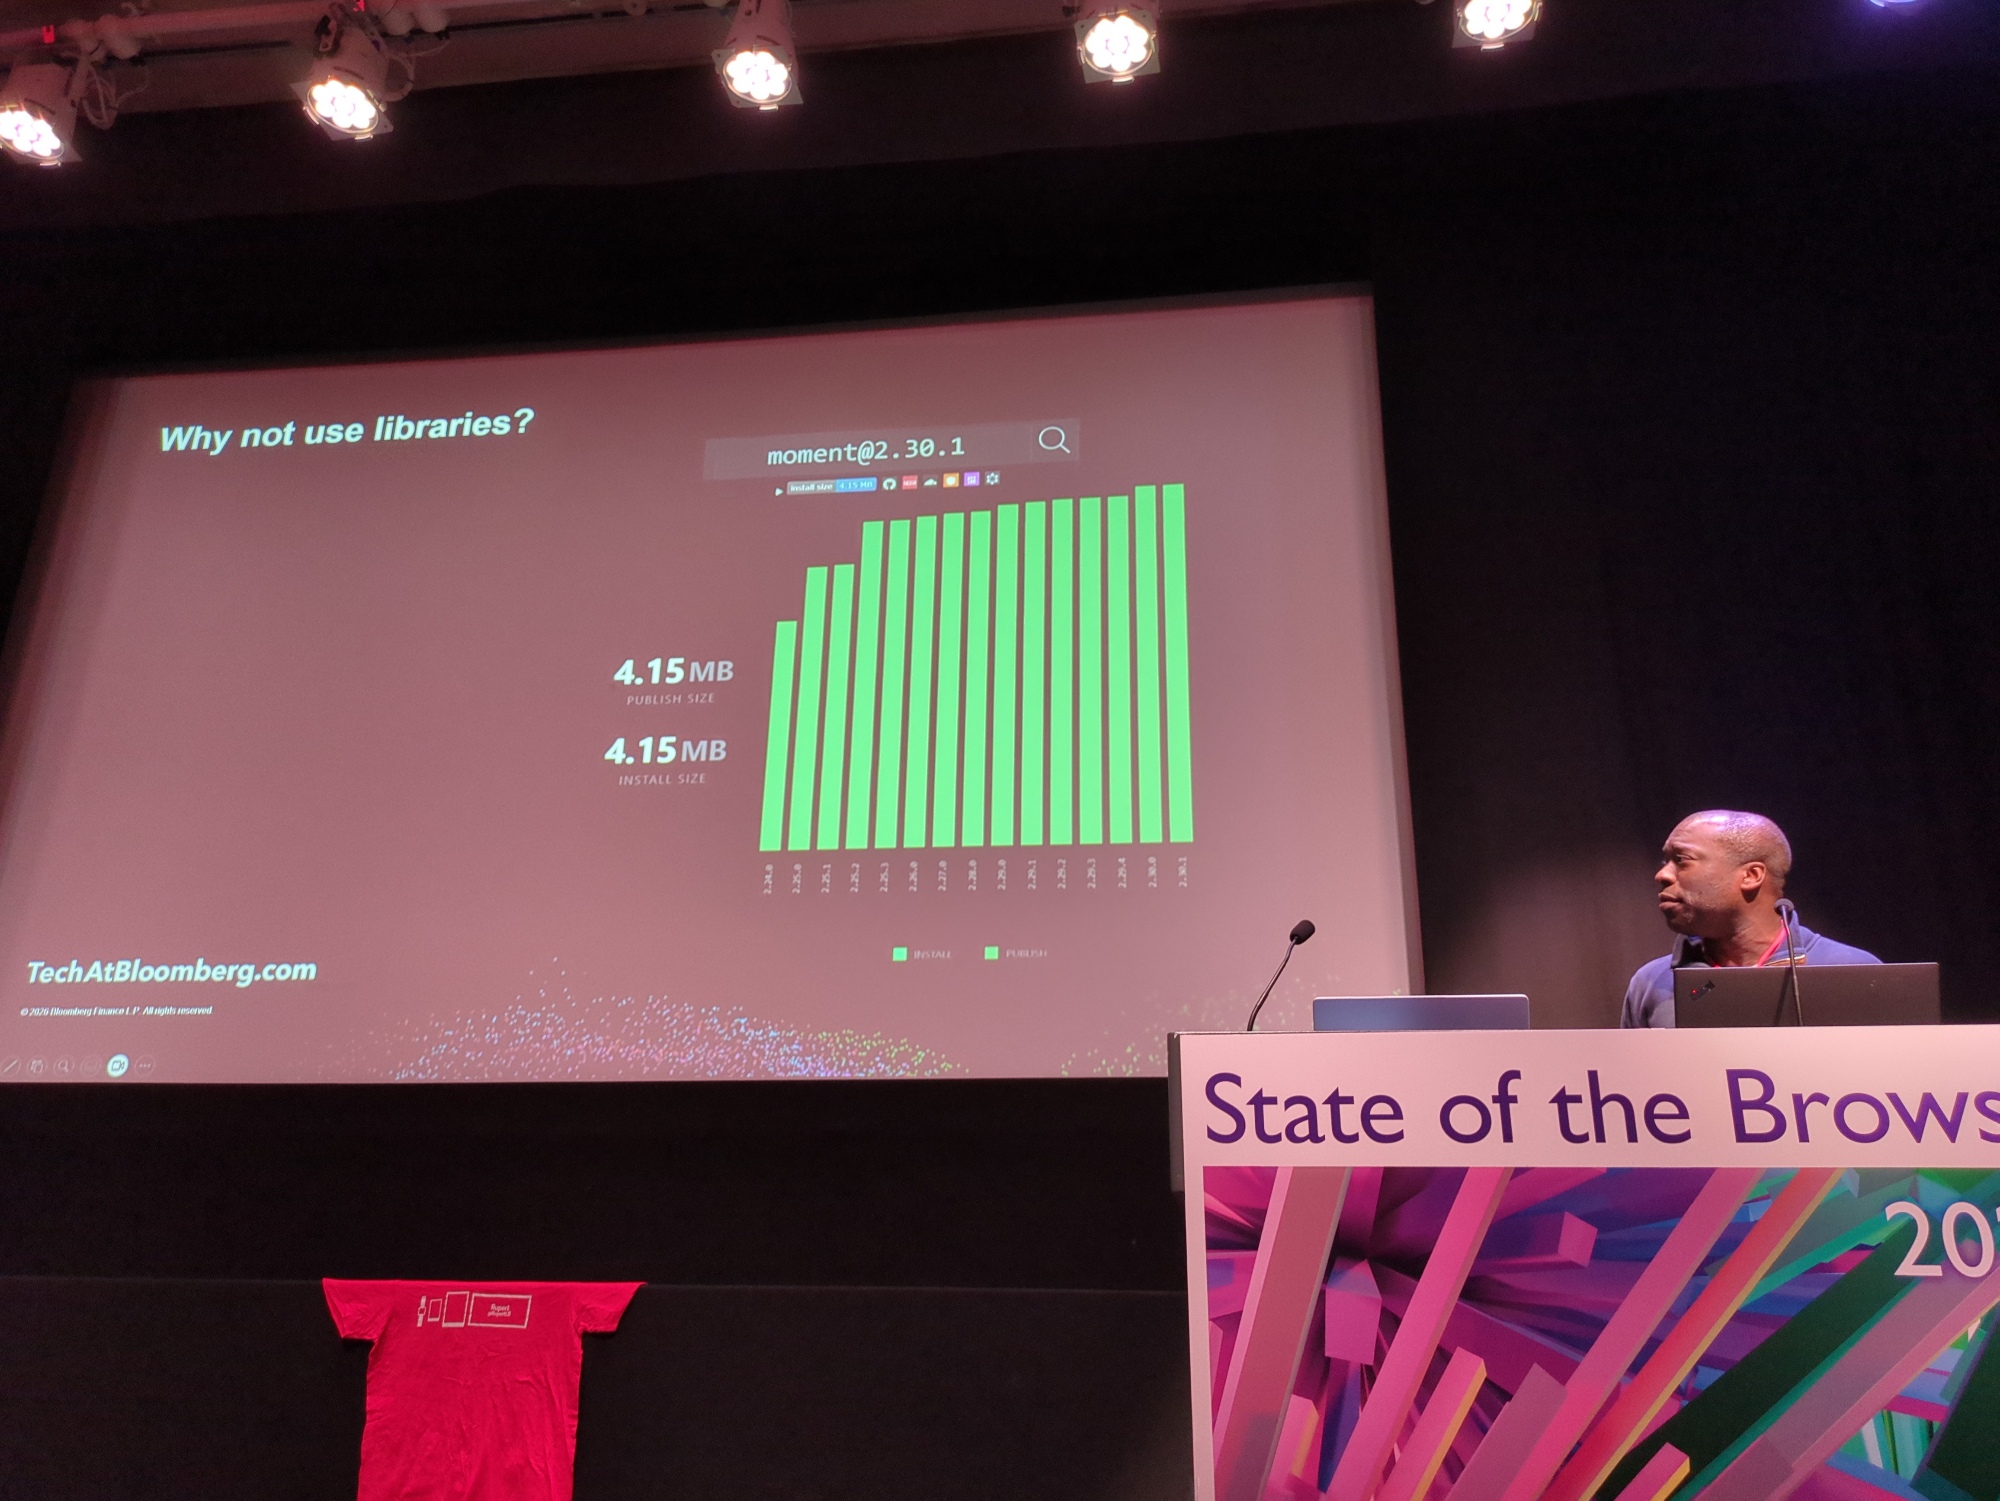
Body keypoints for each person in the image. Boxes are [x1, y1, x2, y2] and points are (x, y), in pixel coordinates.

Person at [1621, 810, 1879, 1028]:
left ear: (1751, 875)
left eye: (1681, 860)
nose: (1662, 875)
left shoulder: (1855, 972)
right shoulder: (1651, 983)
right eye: (1665, 861)